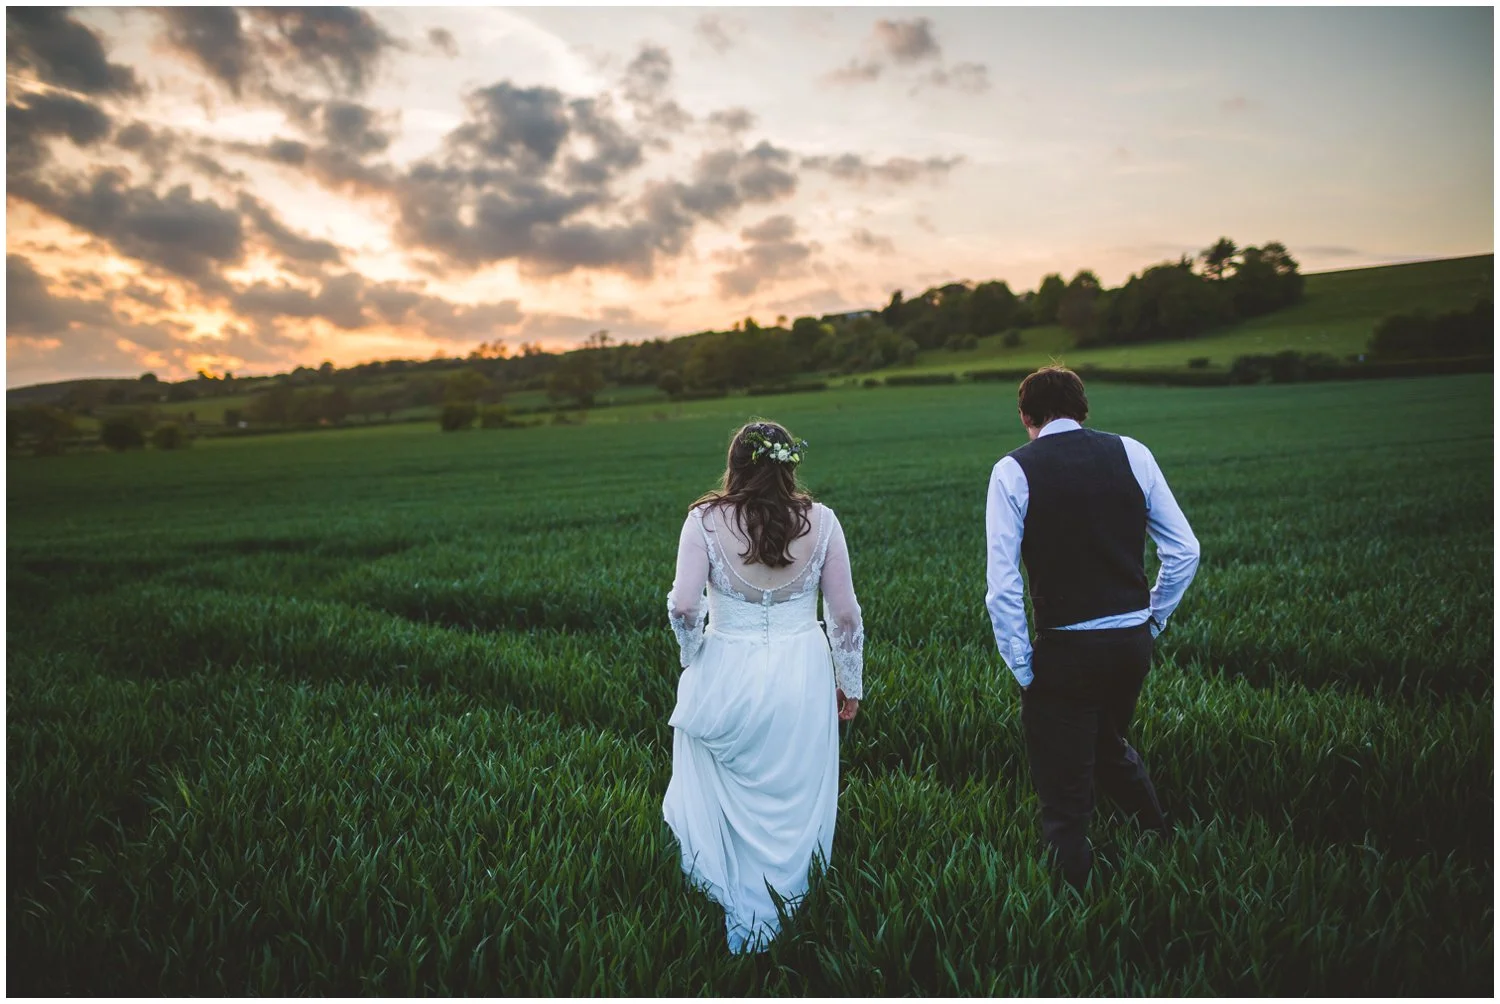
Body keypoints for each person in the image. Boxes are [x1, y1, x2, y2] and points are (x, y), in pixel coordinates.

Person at [985, 366, 1200, 889]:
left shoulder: (1012, 470)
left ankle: (1071, 902)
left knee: (1063, 789)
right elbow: (1185, 550)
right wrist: (1153, 618)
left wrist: (1022, 664)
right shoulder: (1133, 452)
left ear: (1025, 416)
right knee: (1108, 744)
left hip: (1067, 646)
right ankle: (1160, 845)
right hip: (1131, 643)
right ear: (1084, 409)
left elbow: (1003, 582)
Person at [663, 420, 864, 953]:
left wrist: (692, 657)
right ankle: (791, 901)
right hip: (802, 668)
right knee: (792, 789)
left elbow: (684, 605)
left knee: (732, 788)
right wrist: (851, 681)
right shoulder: (822, 522)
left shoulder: (703, 520)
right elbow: (844, 616)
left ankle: (735, 897)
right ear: (788, 463)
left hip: (727, 665)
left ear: (735, 465)